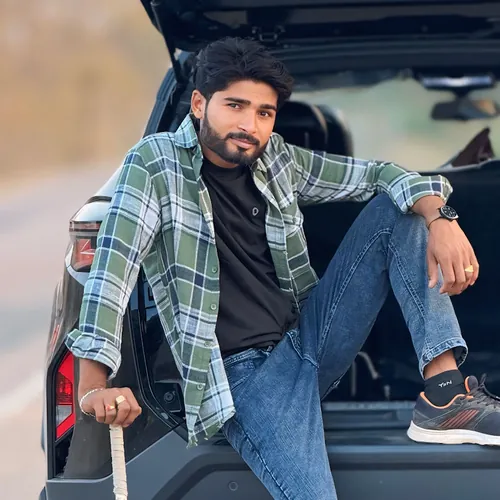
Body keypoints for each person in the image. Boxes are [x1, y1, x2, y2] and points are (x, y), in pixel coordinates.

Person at [65, 37, 500, 499]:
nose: (249, 125)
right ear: (198, 104)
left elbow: (380, 175)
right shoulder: (154, 164)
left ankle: (445, 394)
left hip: (305, 339)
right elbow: (111, 273)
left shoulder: (277, 160)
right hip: (244, 379)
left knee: (400, 210)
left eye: (264, 113)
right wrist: (92, 386)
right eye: (235, 106)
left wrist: (440, 217)